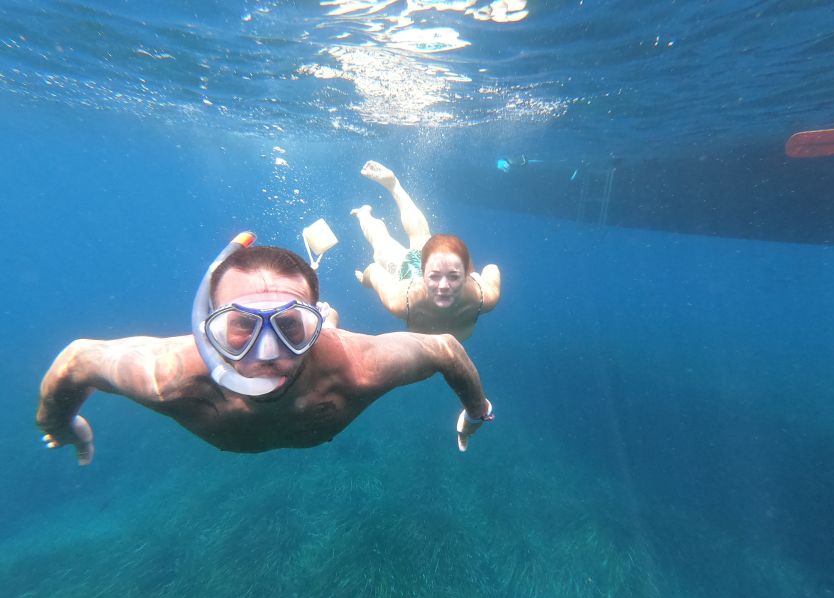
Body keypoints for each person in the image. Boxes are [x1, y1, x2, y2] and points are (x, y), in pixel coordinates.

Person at [36, 232, 495, 465]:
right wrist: (61, 421)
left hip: (329, 343)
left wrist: (477, 413)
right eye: (240, 326)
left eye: (292, 325)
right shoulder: (171, 378)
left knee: (329, 332)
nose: (268, 351)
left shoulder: (357, 367)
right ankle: (316, 318)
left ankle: (323, 318)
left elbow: (446, 348)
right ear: (207, 328)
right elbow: (77, 358)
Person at [352, 160, 501, 341]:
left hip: (440, 268)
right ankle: (364, 214)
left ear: (466, 274)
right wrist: (366, 281)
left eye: (453, 277)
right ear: (424, 273)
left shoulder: (485, 296)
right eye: (434, 277)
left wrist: (474, 277)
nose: (444, 287)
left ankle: (394, 185)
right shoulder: (401, 300)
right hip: (408, 274)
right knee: (382, 246)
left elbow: (492, 269)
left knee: (421, 236)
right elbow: (374, 271)